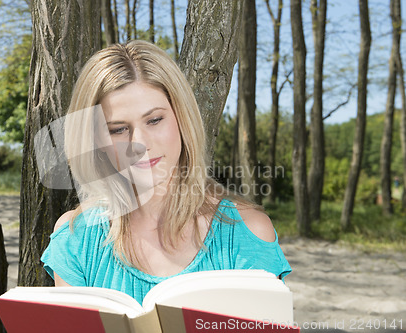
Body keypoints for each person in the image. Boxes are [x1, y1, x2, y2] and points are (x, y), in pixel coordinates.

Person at [41, 40, 291, 305]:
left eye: (154, 120)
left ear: (182, 119)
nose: (140, 144)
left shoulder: (247, 232)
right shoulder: (77, 238)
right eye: (118, 129)